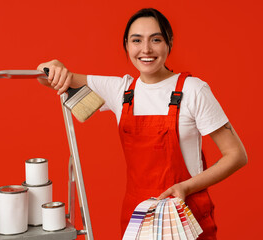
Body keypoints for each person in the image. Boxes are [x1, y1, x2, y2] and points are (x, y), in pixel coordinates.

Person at [37, 8, 247, 240]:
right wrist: (52, 65)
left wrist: (185, 187)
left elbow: (236, 155)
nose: (146, 49)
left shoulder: (194, 90)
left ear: (169, 43)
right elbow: (48, 77)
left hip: (186, 215)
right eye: (137, 40)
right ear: (126, 45)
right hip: (138, 219)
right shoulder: (121, 91)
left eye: (155, 39)